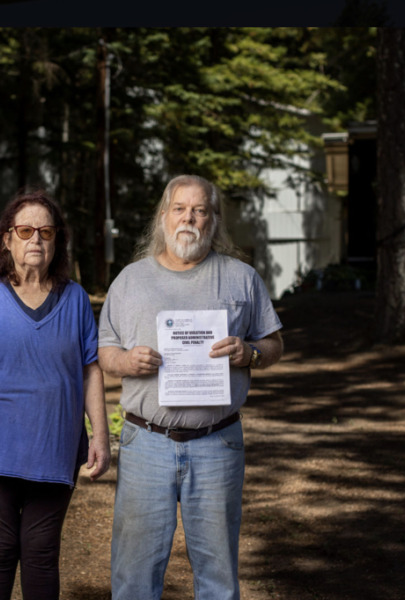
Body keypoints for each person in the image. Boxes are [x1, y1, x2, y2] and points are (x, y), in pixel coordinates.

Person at [98, 174, 283, 600]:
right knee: (134, 576)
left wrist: (250, 353)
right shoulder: (131, 280)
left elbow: (274, 344)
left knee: (218, 576)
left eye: (200, 210)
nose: (189, 219)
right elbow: (104, 351)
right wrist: (126, 361)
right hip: (147, 442)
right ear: (163, 217)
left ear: (214, 220)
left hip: (218, 444)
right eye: (180, 209)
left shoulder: (241, 278)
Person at [0, 189, 110, 600]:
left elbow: (90, 369)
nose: (36, 240)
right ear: (6, 240)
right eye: (25, 230)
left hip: (54, 447)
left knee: (42, 552)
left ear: (57, 241)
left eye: (45, 232)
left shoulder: (76, 299)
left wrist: (100, 434)